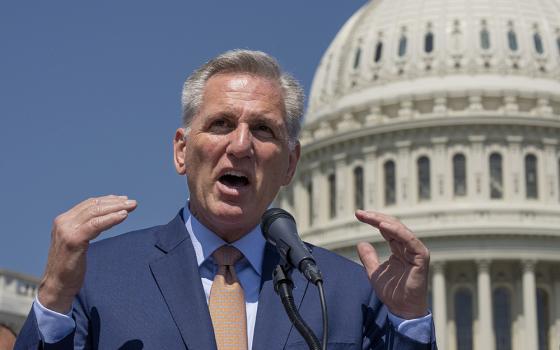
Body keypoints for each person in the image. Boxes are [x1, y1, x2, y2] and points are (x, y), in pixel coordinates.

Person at [15, 50, 437, 349]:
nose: (240, 145)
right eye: (221, 124)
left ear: (290, 164)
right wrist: (53, 301)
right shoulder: (99, 277)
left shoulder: (346, 291)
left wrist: (410, 321)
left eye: (263, 130)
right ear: (182, 151)